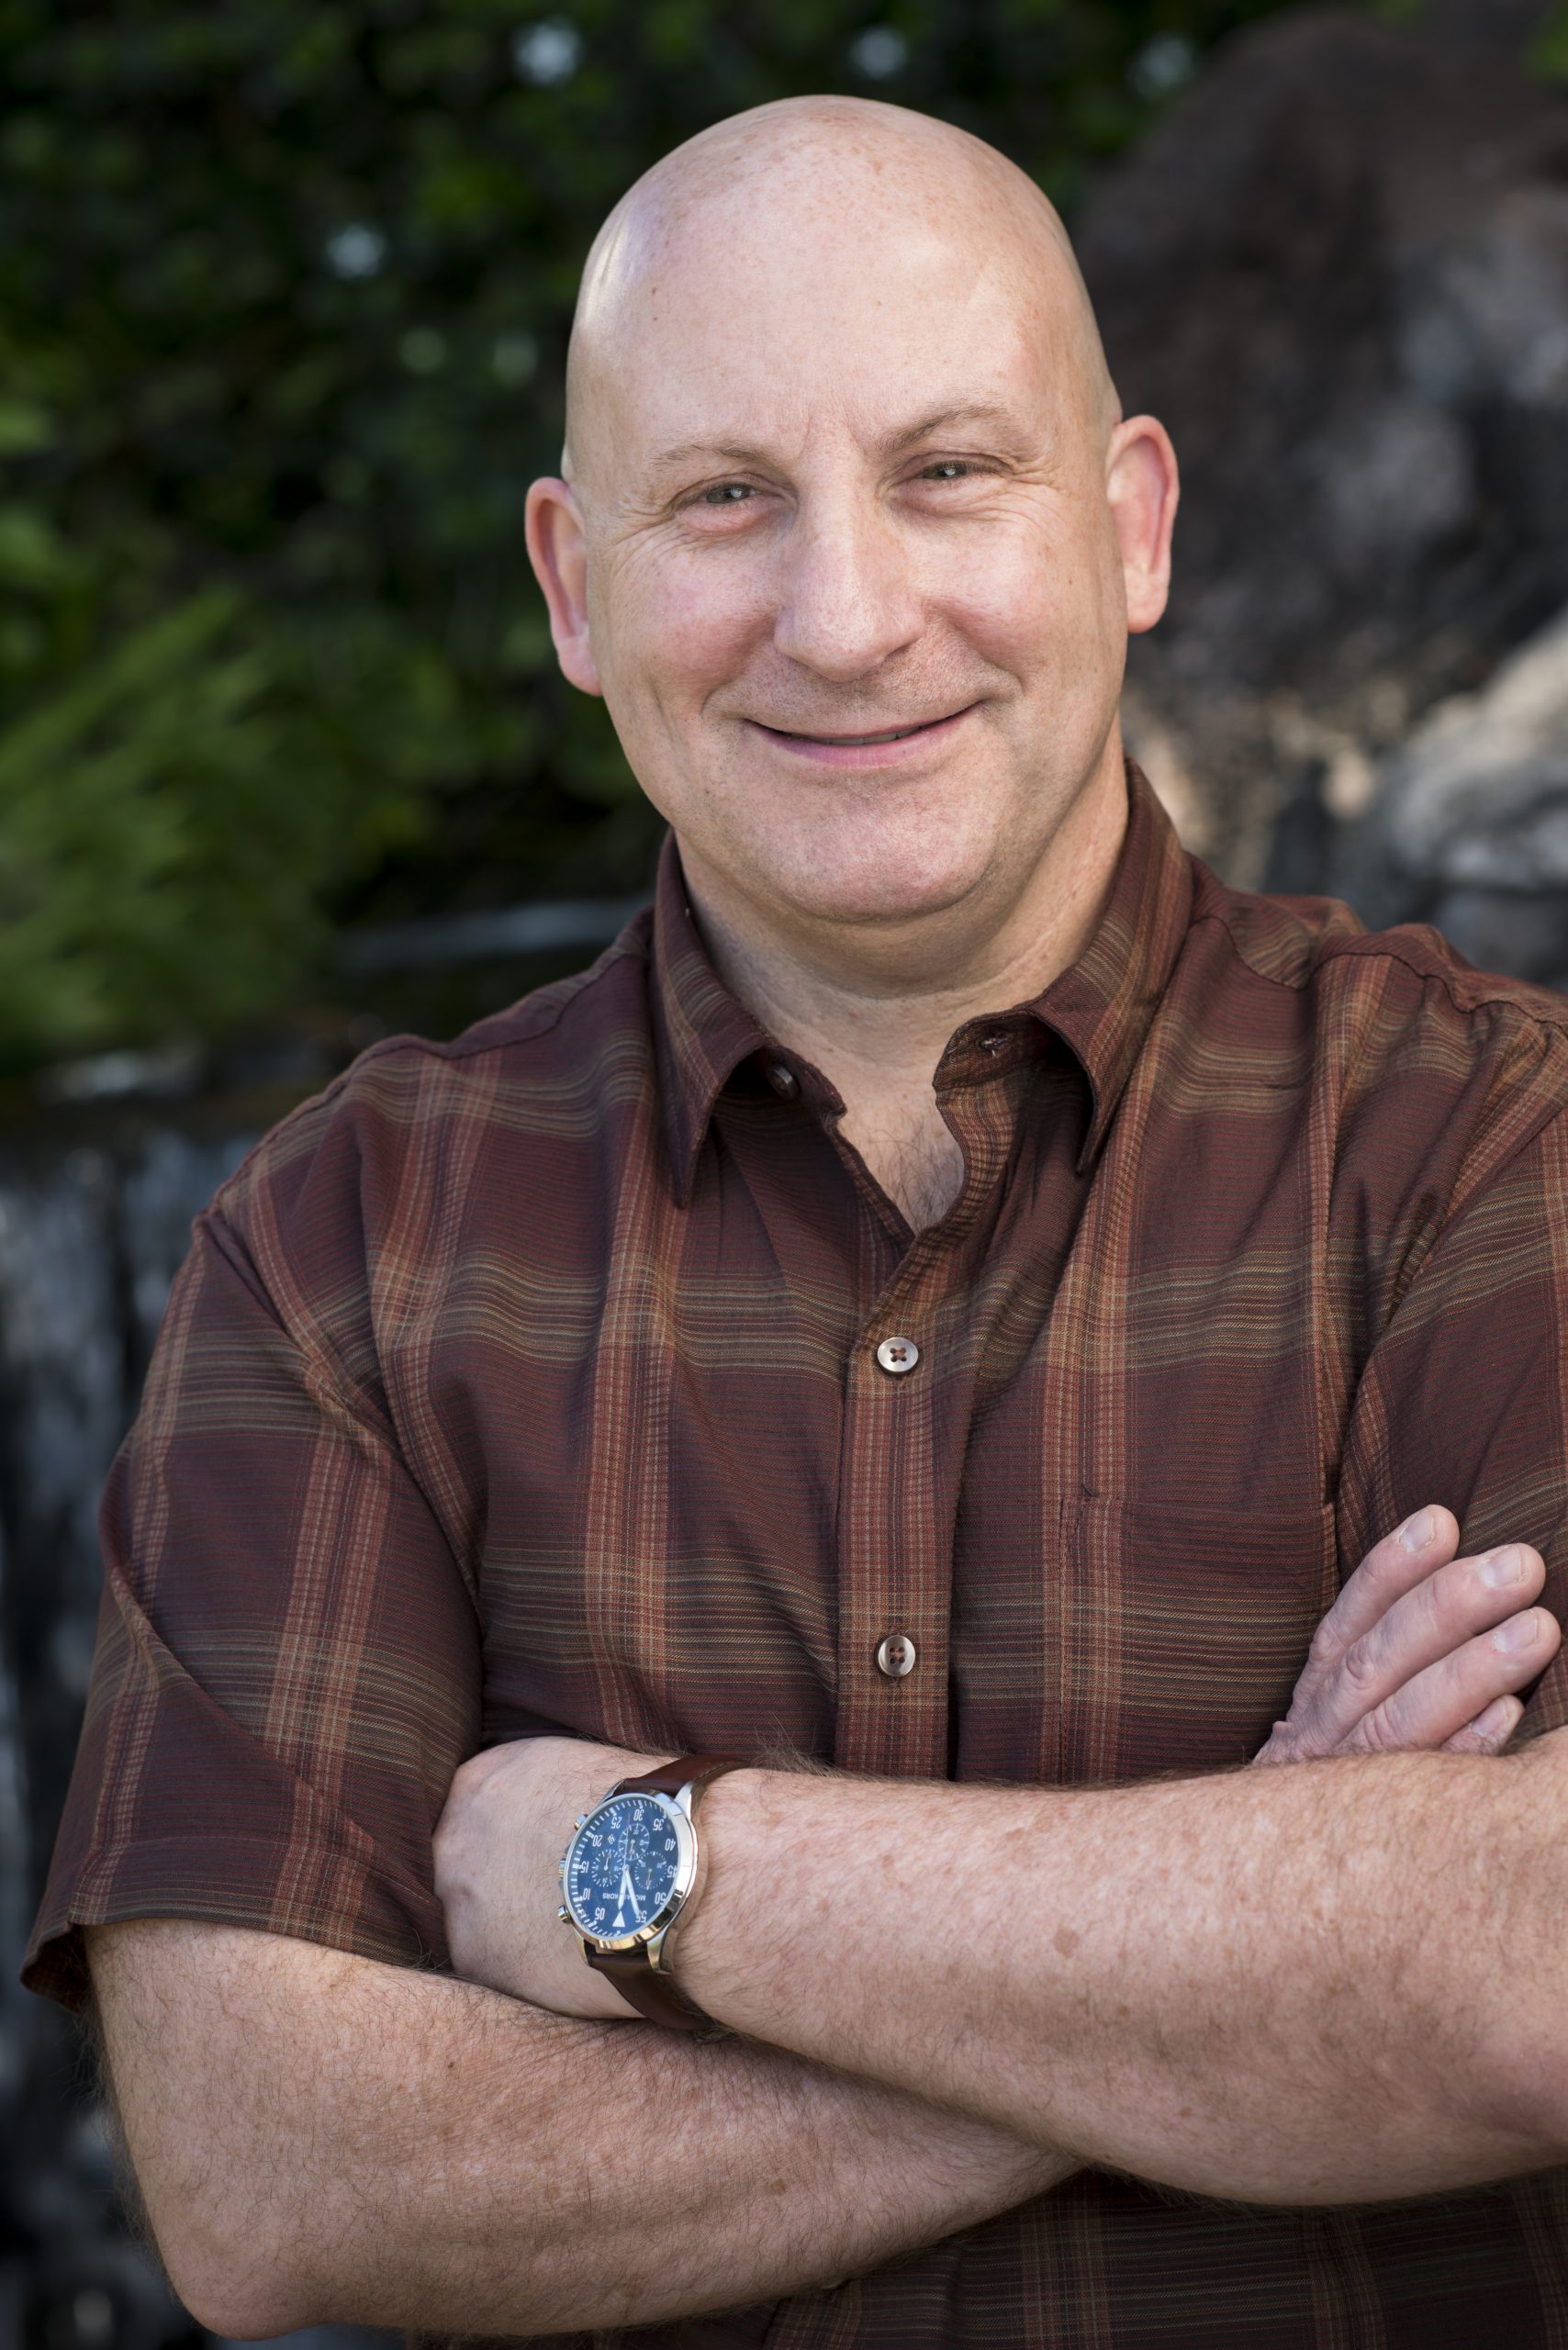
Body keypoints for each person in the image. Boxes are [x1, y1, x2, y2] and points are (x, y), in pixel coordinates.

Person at [25, 95, 1568, 2349]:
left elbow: (1523, 1977)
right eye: (724, 497)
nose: (844, 618)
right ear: (573, 585)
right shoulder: (347, 1236)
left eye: (949, 470)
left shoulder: (1488, 1139)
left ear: (1128, 526)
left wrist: (643, 1868)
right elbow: (270, 2172)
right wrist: (1247, 1930)